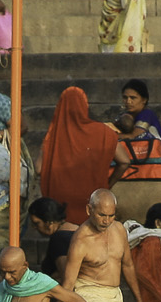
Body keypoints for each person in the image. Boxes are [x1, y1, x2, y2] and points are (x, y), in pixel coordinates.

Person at [38, 87, 118, 222]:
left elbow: (39, 168)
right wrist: (108, 184)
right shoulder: (103, 132)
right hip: (92, 196)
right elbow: (125, 161)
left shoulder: (54, 136)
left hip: (61, 200)